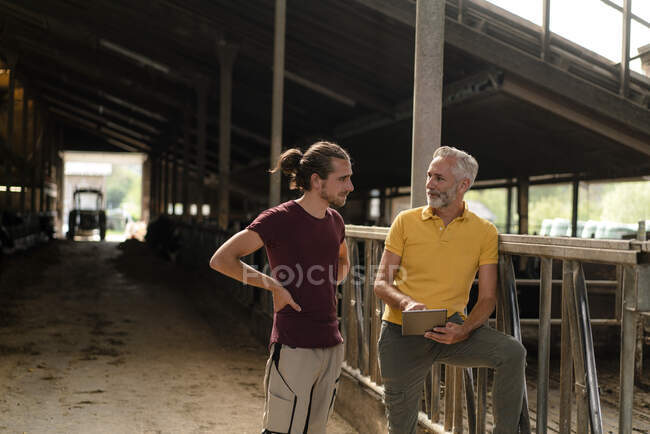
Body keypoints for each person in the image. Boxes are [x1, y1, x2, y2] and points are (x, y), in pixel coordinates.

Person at [374, 146, 526, 434]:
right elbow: (381, 283)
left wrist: (464, 330)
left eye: (439, 178)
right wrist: (406, 303)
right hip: (401, 331)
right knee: (400, 428)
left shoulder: (484, 232)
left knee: (512, 352)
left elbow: (488, 297)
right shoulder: (405, 221)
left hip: (452, 329)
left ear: (463, 185)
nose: (430, 183)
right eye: (429, 176)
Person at [209, 141, 354, 434]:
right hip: (294, 341)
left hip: (332, 342)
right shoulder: (279, 219)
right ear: (316, 180)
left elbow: (343, 262)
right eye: (343, 178)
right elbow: (222, 259)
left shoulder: (335, 220)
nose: (350, 186)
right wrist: (274, 285)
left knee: (315, 430)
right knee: (281, 430)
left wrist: (321, 286)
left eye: (349, 178)